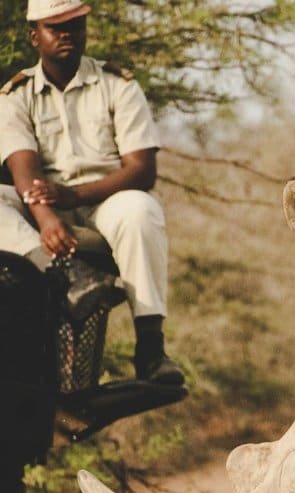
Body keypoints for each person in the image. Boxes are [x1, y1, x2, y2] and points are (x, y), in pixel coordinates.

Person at [0, 0, 182, 386]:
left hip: (103, 200)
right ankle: (69, 280)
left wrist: (75, 196)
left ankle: (151, 347)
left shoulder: (118, 84)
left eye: (75, 25)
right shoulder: (15, 95)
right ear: (35, 36)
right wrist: (47, 221)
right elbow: (23, 168)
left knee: (140, 209)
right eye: (55, 27)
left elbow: (141, 170)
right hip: (43, 208)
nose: (67, 34)